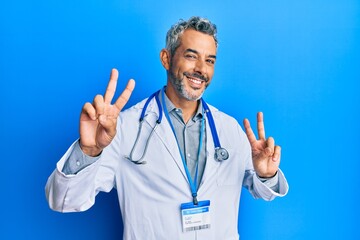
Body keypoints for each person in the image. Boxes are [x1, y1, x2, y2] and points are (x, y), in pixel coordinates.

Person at [45, 16, 288, 240]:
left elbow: (263, 192)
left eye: (209, 60)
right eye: (191, 56)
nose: (201, 69)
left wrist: (266, 175)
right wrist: (89, 151)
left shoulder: (229, 129)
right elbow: (64, 201)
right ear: (166, 58)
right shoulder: (125, 128)